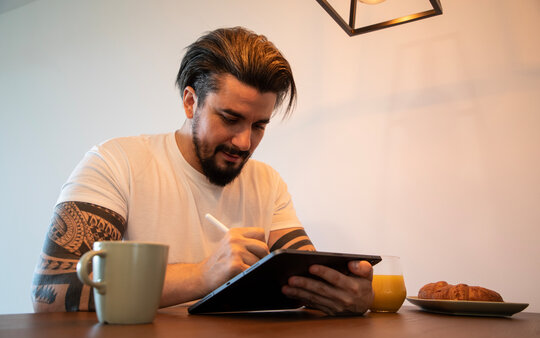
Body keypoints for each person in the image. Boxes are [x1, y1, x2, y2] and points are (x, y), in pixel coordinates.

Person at [32, 27, 374, 316]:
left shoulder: (267, 183)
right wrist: (201, 275)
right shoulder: (115, 162)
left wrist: (345, 294)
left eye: (259, 125)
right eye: (230, 118)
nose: (244, 142)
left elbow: (306, 273)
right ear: (190, 101)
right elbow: (51, 292)